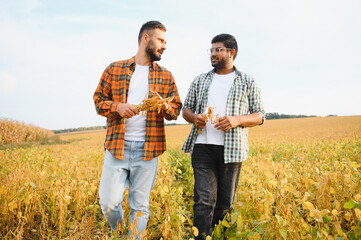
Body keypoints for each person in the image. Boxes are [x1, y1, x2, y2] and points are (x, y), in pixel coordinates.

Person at [93, 20, 182, 239]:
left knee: (140, 206)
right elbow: (98, 101)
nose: (164, 46)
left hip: (148, 150)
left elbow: (175, 110)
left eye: (165, 41)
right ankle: (120, 230)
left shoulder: (166, 75)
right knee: (109, 203)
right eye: (161, 40)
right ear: (146, 39)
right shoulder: (114, 68)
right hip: (117, 147)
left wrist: (165, 106)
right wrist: (117, 107)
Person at [182, 33, 265, 239]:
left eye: (218, 49)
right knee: (203, 201)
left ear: (231, 52)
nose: (213, 54)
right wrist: (194, 118)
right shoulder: (200, 80)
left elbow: (260, 115)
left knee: (225, 204)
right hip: (202, 146)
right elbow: (186, 109)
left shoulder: (247, 81)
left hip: (232, 150)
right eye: (211, 50)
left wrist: (237, 120)